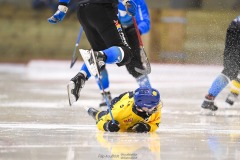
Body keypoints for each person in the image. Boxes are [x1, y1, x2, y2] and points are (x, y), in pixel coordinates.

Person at [48, 0, 137, 105]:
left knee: (99, 53)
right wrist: (126, 1)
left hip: (82, 11)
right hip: (103, 8)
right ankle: (100, 59)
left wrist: (62, 7)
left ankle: (81, 76)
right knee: (125, 52)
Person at [97, 0, 152, 107]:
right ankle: (105, 95)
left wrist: (138, 30)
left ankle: (147, 93)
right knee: (98, 60)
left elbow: (145, 21)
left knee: (134, 65)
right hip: (110, 29)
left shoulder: (138, 1)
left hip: (130, 31)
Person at [201, 16, 240, 112]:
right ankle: (233, 93)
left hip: (234, 26)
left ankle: (209, 98)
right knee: (232, 68)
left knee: (230, 68)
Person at [86, 87, 161, 132]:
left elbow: (155, 123)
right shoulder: (119, 114)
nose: (156, 108)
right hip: (120, 105)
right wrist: (107, 126)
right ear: (141, 108)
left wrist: (147, 127)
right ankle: (93, 112)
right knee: (103, 115)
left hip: (129, 98)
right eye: (152, 107)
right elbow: (100, 122)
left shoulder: (153, 109)